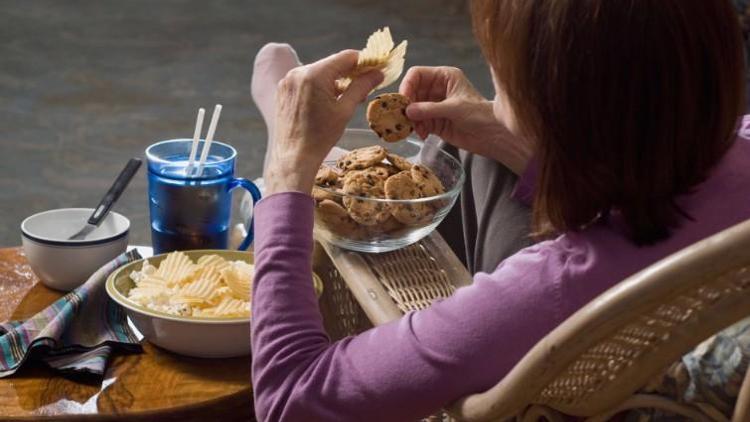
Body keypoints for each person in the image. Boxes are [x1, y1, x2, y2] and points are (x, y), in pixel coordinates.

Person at [249, 1, 748, 420]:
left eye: (499, 67)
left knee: (445, 164)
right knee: (472, 157)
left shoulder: (550, 289)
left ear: (550, 105)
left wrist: (288, 166)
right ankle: (339, 164)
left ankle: (316, 155)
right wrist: (508, 137)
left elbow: (290, 399)